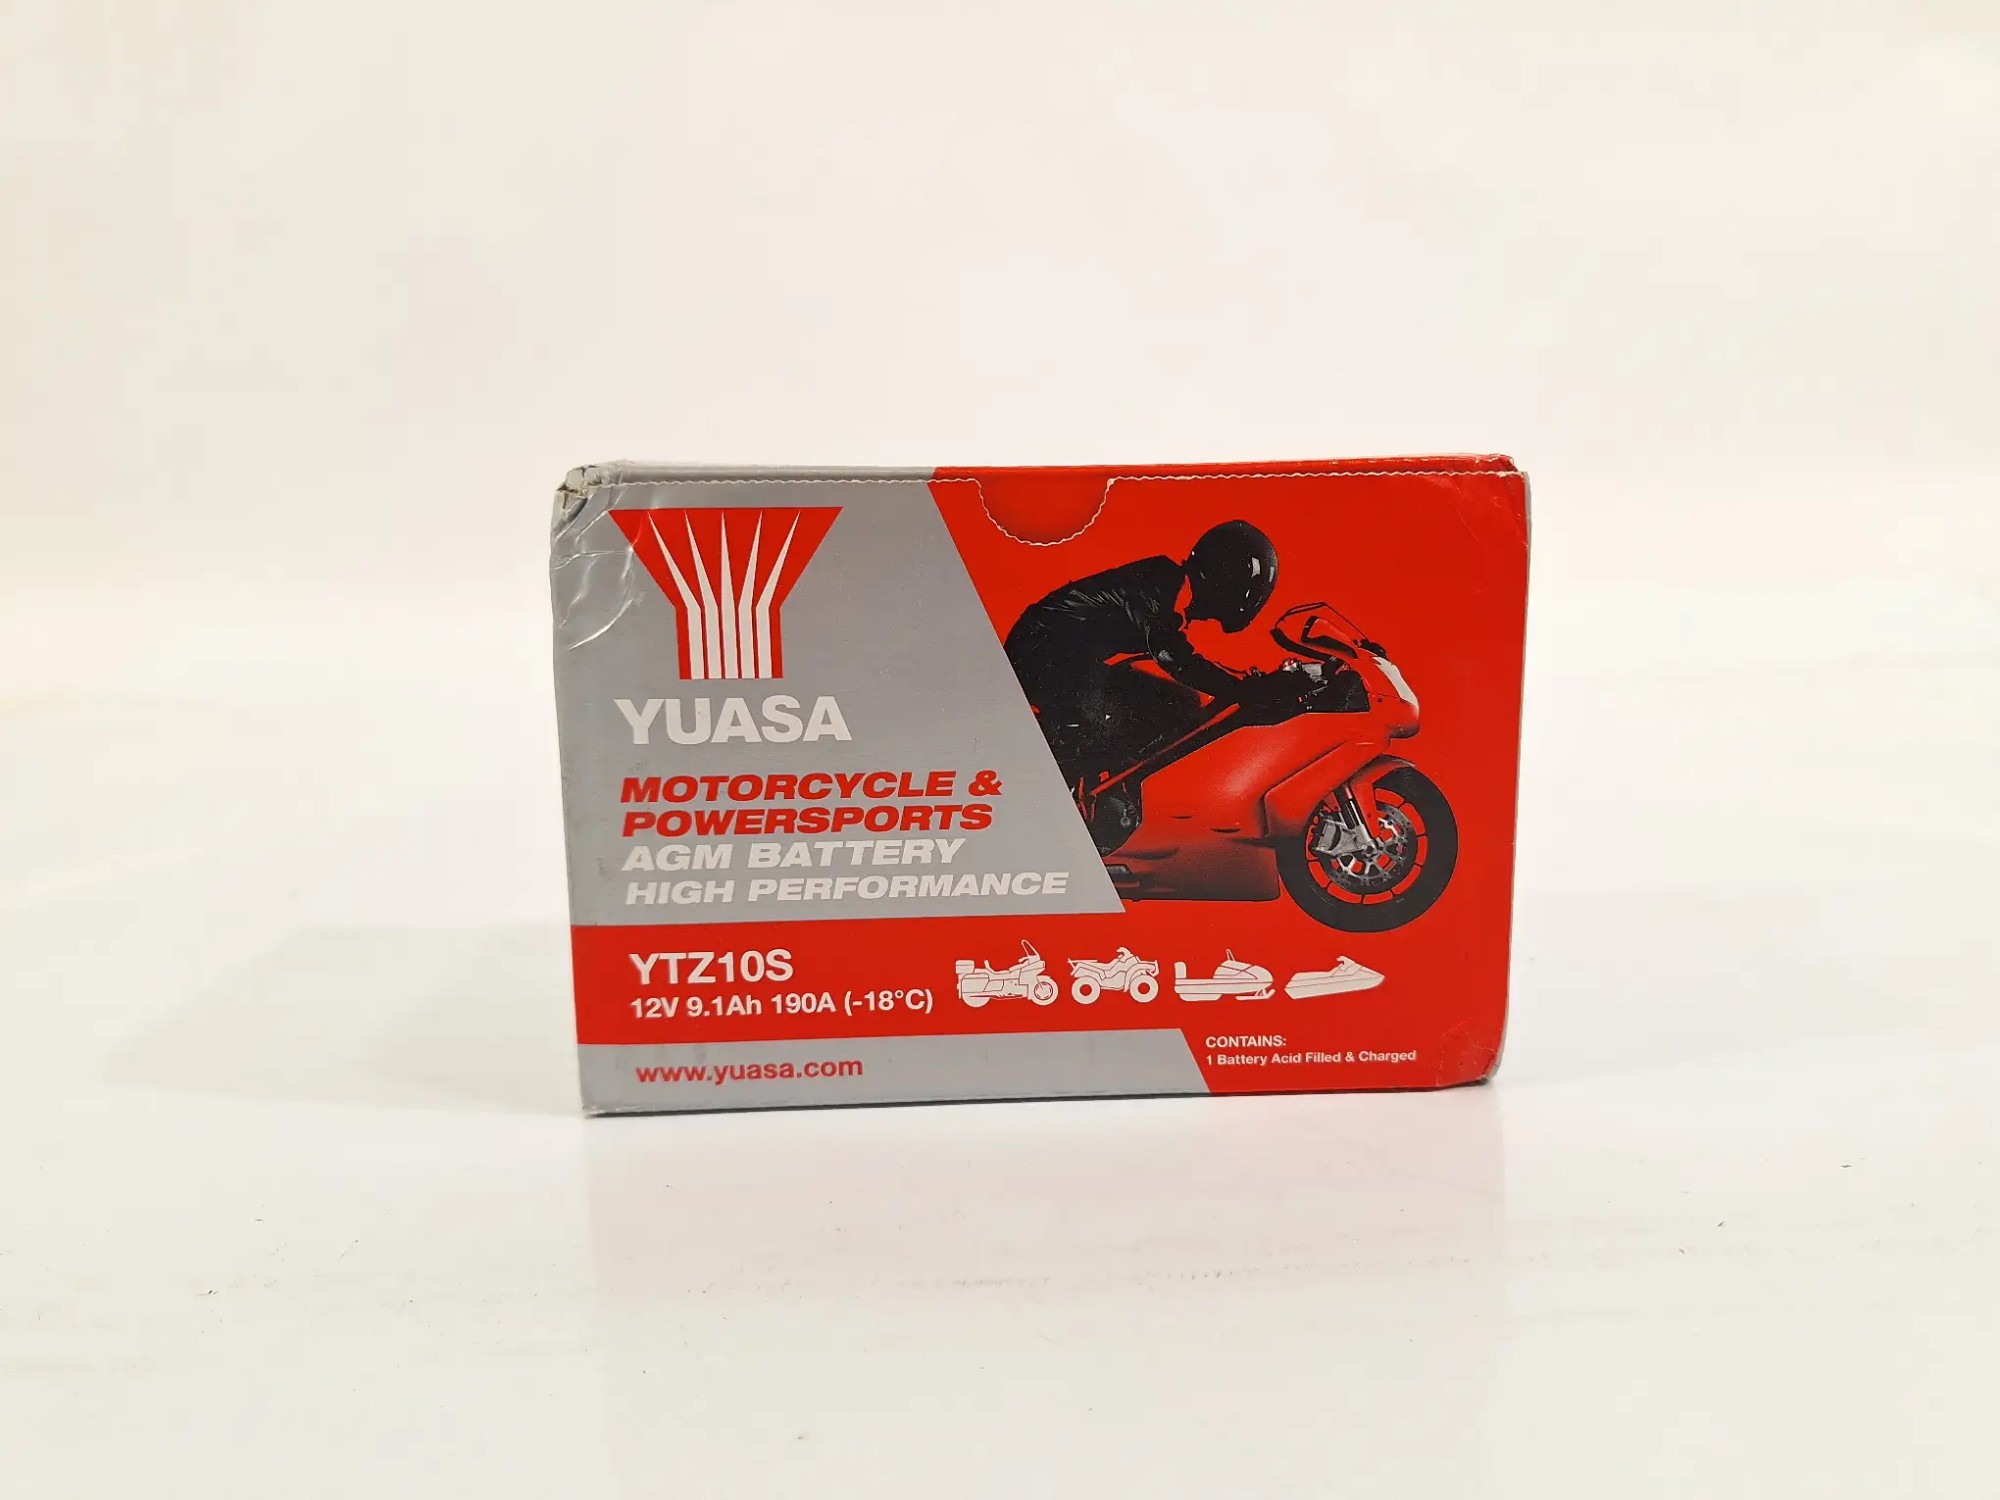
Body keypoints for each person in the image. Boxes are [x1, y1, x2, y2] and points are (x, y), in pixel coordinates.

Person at [1004, 520, 1280, 785]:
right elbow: (1176, 659)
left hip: (1067, 658)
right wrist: (1239, 688)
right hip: (1039, 656)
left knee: (1176, 702)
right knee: (1100, 734)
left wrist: (1239, 681)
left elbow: (1177, 653)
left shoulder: (1169, 588)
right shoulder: (1158, 585)